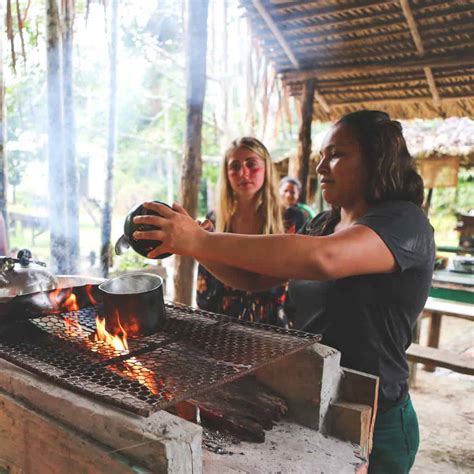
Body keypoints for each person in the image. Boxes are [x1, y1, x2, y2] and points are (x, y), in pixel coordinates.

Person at [134, 110, 435, 473]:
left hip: (378, 415)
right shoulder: (325, 223)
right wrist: (194, 246)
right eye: (322, 156)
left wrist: (202, 238)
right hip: (312, 397)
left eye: (337, 154)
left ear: (377, 157)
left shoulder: (405, 222)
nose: (322, 167)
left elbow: (326, 258)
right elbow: (254, 278)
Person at [196, 137, 290, 328]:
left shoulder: (292, 220)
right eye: (235, 166)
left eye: (251, 164)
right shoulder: (214, 221)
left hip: (276, 331)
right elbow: (204, 291)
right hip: (223, 329)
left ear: (266, 168)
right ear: (227, 174)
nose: (243, 173)